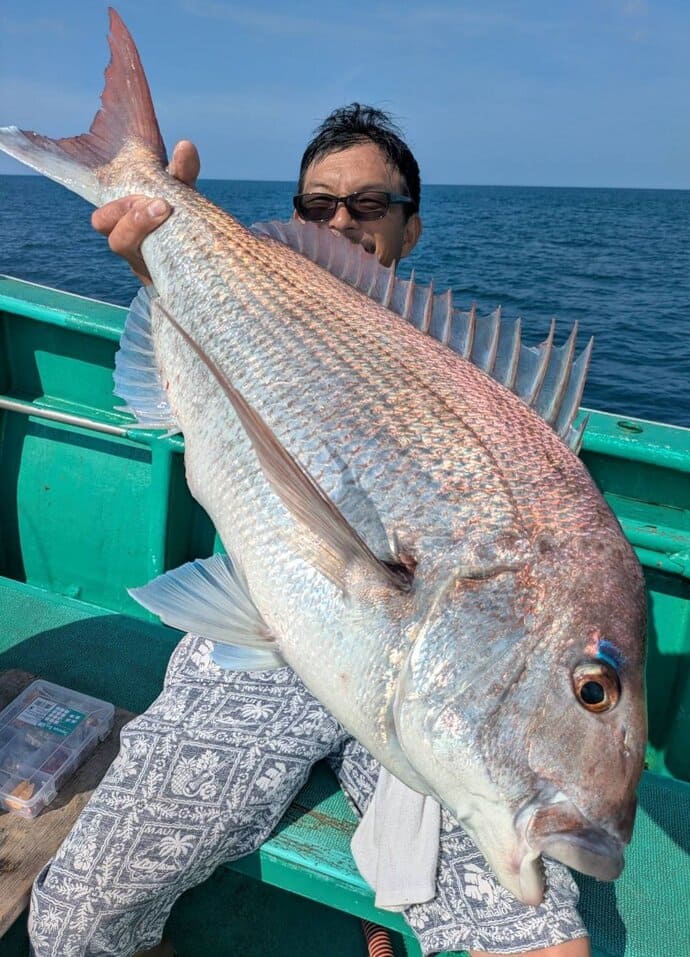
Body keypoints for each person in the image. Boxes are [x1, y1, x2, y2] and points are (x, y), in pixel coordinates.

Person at [29, 105, 590, 957]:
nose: (340, 223)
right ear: (295, 218)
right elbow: (192, 371)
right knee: (73, 920)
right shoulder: (260, 319)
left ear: (411, 225)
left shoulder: (471, 383)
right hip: (262, 649)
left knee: (546, 944)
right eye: (317, 205)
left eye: (369, 206)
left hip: (432, 691)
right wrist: (158, 259)